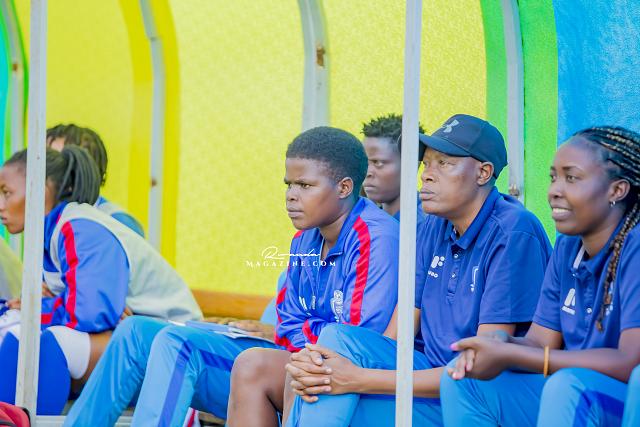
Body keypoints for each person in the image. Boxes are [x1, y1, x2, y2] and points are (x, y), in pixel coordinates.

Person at [64, 126, 400, 427]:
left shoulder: (374, 237)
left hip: (325, 376)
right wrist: (299, 332)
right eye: (288, 184)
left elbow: (354, 338)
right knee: (136, 330)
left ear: (344, 187)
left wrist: (299, 332)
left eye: (305, 185)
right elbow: (288, 321)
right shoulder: (305, 237)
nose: (291, 195)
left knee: (178, 344)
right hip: (291, 357)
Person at [284, 114, 552, 427]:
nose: (427, 176)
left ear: (483, 172)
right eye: (426, 164)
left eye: (444, 164)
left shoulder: (513, 231)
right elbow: (395, 337)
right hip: (428, 377)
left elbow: (478, 366)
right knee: (331, 347)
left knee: (332, 379)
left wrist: (358, 378)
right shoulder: (433, 226)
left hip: (480, 397)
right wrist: (333, 367)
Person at [439, 126, 640, 427]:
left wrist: (514, 355)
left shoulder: (635, 246)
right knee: (462, 378)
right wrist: (501, 342)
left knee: (567, 387)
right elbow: (539, 341)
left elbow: (630, 361)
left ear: (617, 190)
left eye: (571, 178)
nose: (554, 191)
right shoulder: (568, 246)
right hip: (576, 394)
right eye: (553, 177)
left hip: (620, 401)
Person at [0, 146, 201, 415]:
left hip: (175, 347)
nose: (0, 204)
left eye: (7, 192)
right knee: (15, 329)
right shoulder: (53, 233)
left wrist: (35, 308)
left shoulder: (79, 226)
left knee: (48, 341)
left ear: (42, 190)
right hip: (137, 336)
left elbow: (89, 313)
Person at [47, 123, 145, 236]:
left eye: (65, 164)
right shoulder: (46, 217)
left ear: (93, 171)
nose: (52, 172)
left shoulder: (118, 225)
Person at [361, 113, 426, 221]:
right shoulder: (365, 219)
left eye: (378, 163)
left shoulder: (426, 225)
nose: (367, 173)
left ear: (412, 166)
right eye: (364, 162)